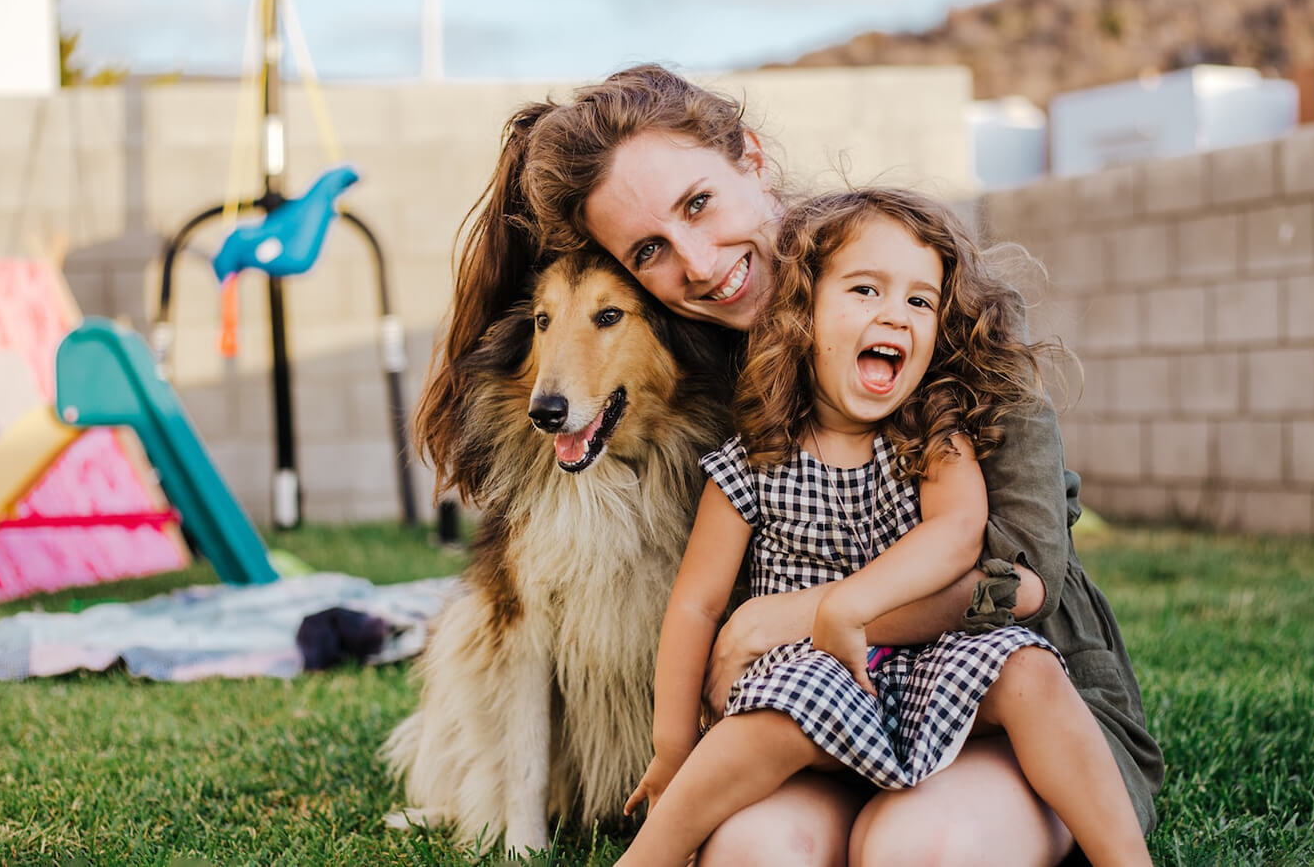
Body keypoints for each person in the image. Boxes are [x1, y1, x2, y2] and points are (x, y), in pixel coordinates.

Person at [416, 64, 1163, 866]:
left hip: (1003, 699)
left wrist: (804, 615)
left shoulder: (923, 313)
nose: (699, 263)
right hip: (808, 711)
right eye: (651, 249)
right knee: (756, 853)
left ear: (753, 159)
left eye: (698, 202)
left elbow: (1017, 582)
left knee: (918, 847)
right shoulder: (694, 377)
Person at [613, 188, 1151, 867]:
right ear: (800, 312)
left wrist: (846, 605)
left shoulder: (932, 434)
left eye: (919, 302)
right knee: (767, 724)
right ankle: (649, 856)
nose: (895, 314)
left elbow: (982, 555)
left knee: (1029, 671)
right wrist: (670, 745)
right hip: (811, 677)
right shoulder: (753, 460)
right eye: (866, 291)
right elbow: (696, 604)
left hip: (935, 661)